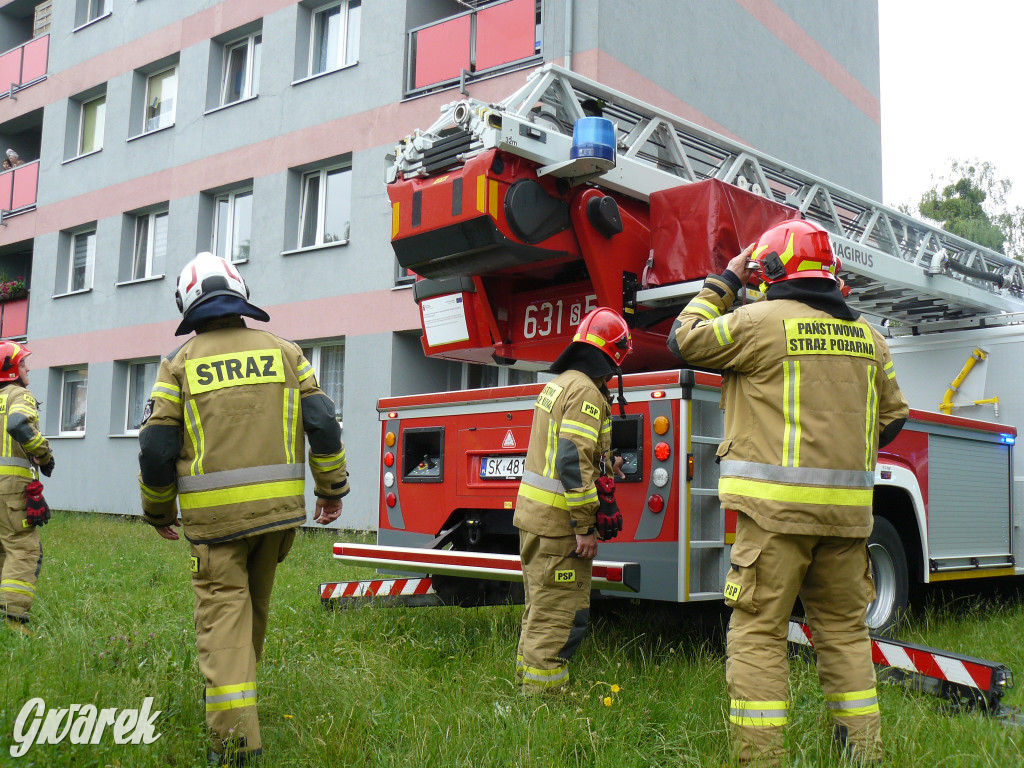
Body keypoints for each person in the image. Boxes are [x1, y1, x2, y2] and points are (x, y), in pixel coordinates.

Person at [668, 219, 909, 766]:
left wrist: (724, 283)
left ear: (773, 271)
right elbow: (893, 416)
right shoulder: (869, 338)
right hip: (847, 525)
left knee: (758, 633)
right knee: (846, 636)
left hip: (772, 520)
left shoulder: (756, 323)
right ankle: (862, 755)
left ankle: (761, 759)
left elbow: (684, 337)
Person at [138, 252, 348, 766]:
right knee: (250, 618)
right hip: (277, 520)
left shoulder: (179, 364)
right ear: (240, 292)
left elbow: (156, 448)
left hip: (215, 527)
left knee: (224, 626)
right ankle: (237, 705)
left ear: (188, 302)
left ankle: (234, 747)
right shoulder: (287, 352)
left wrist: (160, 511)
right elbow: (323, 423)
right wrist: (331, 488)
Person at [514, 307, 631, 694]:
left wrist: (605, 465)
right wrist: (585, 526)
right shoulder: (586, 392)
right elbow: (569, 460)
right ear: (613, 354)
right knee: (559, 618)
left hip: (537, 521)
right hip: (560, 528)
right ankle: (542, 705)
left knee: (538, 611)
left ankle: (525, 694)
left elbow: (562, 452)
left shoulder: (563, 383)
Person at [0, 342, 55, 636]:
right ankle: (14, 623)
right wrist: (44, 454)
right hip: (10, 488)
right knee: (22, 548)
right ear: (11, 371)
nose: (28, 368)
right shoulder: (19, 395)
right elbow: (19, 424)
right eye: (23, 364)